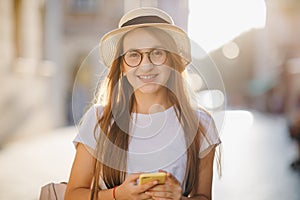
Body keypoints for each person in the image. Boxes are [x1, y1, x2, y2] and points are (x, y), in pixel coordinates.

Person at [65, 7, 221, 200]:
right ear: (121, 66)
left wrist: (178, 198)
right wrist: (117, 195)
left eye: (157, 53)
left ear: (172, 61)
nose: (146, 65)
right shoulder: (99, 120)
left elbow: (204, 196)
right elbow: (72, 194)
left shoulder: (201, 124)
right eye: (133, 55)